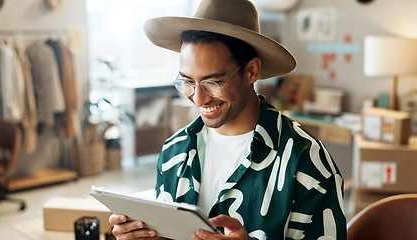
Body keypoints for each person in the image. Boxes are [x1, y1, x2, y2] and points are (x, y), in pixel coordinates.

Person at [109, 0, 346, 239]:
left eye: (213, 83)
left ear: (252, 71)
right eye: (188, 82)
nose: (199, 99)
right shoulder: (175, 151)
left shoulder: (305, 160)